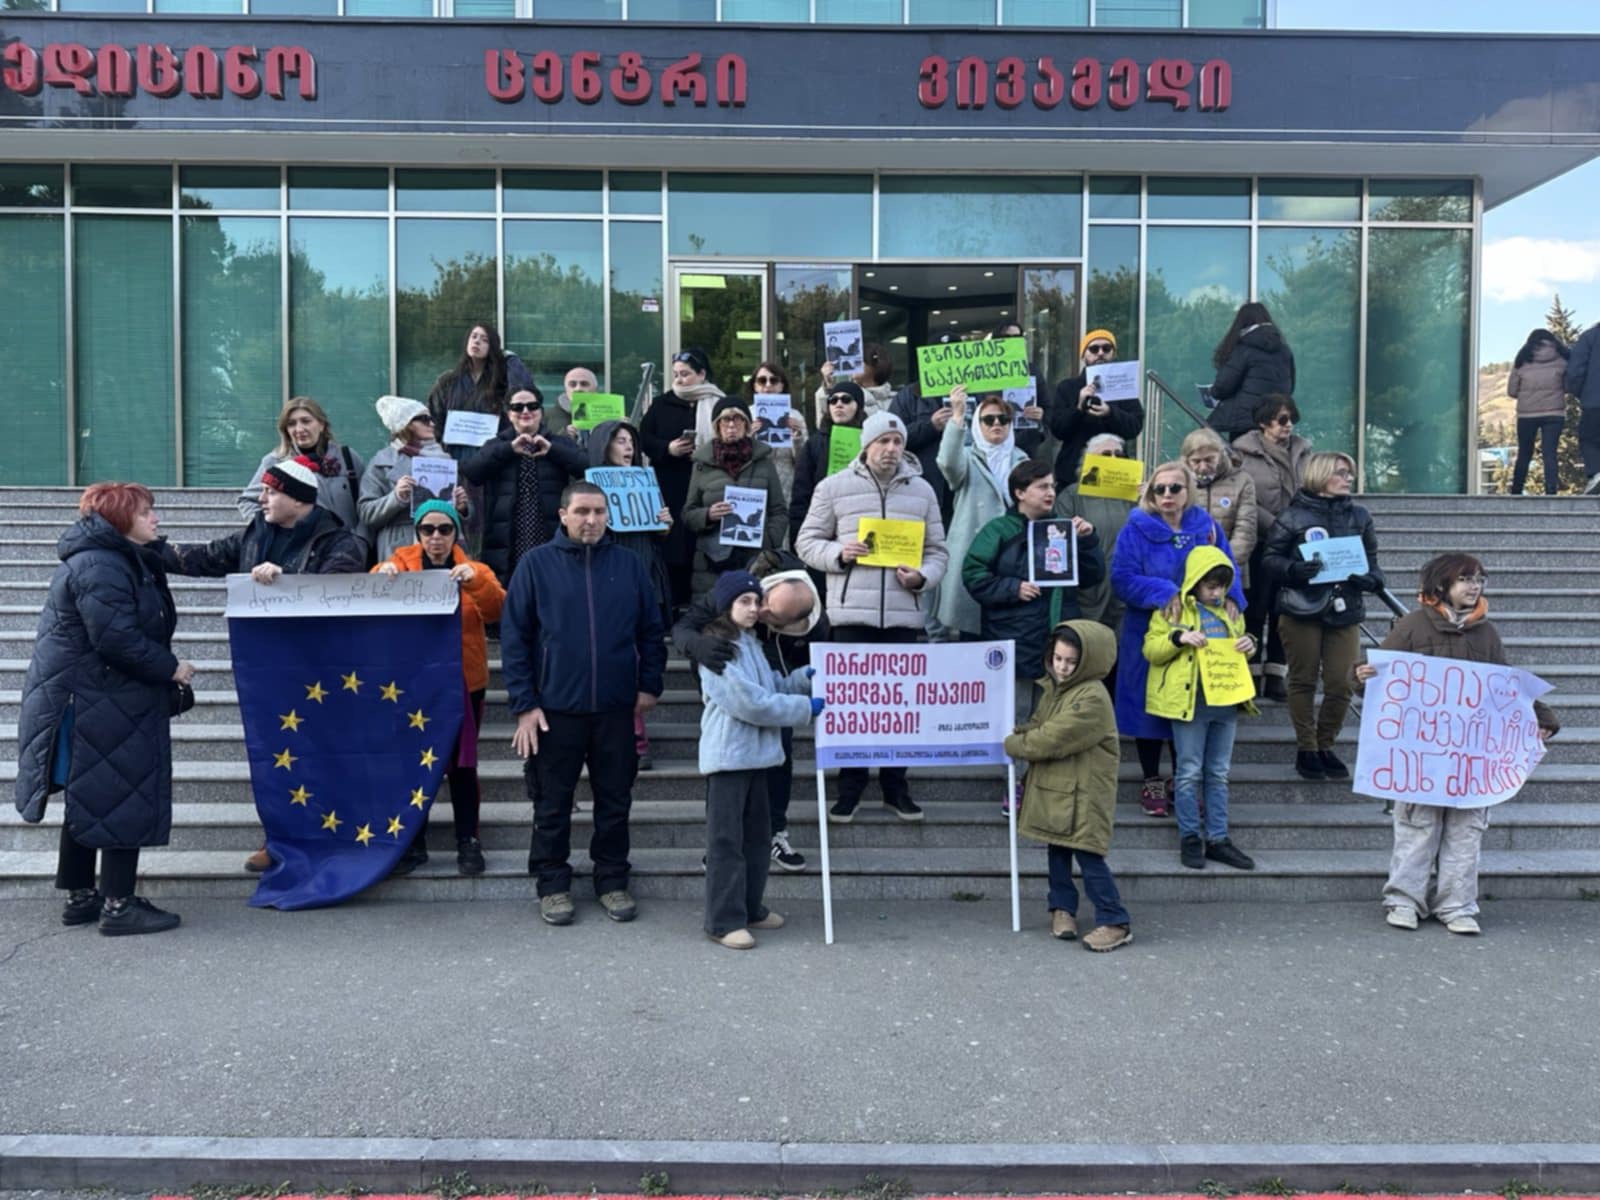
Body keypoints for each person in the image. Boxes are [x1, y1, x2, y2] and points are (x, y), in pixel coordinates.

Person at [163, 456, 367, 873]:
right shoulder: (255, 534)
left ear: (299, 500)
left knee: (322, 756)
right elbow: (201, 558)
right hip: (267, 670)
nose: (261, 498)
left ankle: (334, 837)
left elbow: (337, 587)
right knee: (275, 759)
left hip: (320, 673)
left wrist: (286, 575)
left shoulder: (339, 541)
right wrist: (142, 546)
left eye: (271, 492)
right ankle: (278, 839)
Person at [15, 483, 195, 936]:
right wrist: (171, 668)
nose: (155, 518)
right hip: (103, 698)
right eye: (146, 512)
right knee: (121, 793)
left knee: (93, 794)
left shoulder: (115, 558)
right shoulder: (103, 564)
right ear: (120, 518)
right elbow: (116, 638)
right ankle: (118, 906)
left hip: (99, 695)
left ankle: (82, 897)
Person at [1355, 554, 1559, 934]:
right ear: (1441, 585)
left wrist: (1541, 718)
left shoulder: (1486, 634)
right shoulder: (1412, 626)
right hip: (1422, 753)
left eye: (1479, 579)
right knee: (1418, 826)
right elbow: (1382, 677)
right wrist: (1362, 676)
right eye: (1465, 579)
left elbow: (1505, 686)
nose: (1474, 586)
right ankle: (1404, 900)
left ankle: (1457, 905)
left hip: (1471, 756)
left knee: (1466, 830)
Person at [501, 481, 667, 927]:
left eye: (598, 512)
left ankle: (612, 880)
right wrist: (524, 704)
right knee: (552, 803)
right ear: (563, 514)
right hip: (555, 710)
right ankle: (553, 884)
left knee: (615, 801)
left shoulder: (629, 565)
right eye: (582, 511)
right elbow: (515, 639)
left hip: (616, 709)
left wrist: (649, 685)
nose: (591, 520)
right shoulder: (536, 565)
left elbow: (652, 631)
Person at [797, 410, 949, 822]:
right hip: (850, 617)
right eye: (883, 441)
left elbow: (938, 551)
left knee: (899, 708)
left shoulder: (922, 491)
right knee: (852, 707)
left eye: (898, 442)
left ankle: (895, 787)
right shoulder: (833, 487)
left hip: (903, 618)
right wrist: (839, 554)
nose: (891, 449)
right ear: (866, 445)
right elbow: (806, 542)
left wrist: (922, 577)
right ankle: (850, 788)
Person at [371, 501, 504, 877]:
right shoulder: (399, 563)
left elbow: (497, 609)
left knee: (462, 767)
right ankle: (413, 843)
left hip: (463, 683)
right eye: (427, 529)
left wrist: (474, 580)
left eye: (445, 529)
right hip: (414, 684)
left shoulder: (475, 568)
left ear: (456, 533)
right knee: (412, 765)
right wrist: (381, 574)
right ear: (417, 533)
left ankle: (468, 840)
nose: (436, 537)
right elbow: (369, 596)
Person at [674, 550, 828, 874]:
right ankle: (720, 845)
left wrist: (801, 681)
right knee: (727, 778)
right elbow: (685, 627)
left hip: (769, 663)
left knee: (780, 754)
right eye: (761, 602)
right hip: (722, 659)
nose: (760, 612)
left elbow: (773, 688)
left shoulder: (813, 625)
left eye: (772, 614)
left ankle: (774, 832)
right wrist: (696, 646)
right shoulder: (737, 587)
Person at [695, 570, 822, 950]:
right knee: (726, 843)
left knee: (756, 841)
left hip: (758, 758)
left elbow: (771, 688)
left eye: (757, 601)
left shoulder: (749, 642)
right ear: (726, 605)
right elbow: (750, 704)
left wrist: (800, 679)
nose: (754, 608)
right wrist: (804, 708)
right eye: (744, 601)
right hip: (729, 759)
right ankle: (723, 921)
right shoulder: (717, 648)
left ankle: (750, 908)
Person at [1111, 462, 1244, 818]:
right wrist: (1164, 591)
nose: (1167, 495)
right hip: (1149, 629)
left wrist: (1233, 597)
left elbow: (1228, 566)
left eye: (1175, 488)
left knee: (1186, 705)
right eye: (1159, 489)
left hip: (1199, 631)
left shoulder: (1207, 527)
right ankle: (1151, 778)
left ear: (1188, 491)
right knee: (1148, 706)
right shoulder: (1135, 528)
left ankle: (1179, 780)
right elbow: (1121, 577)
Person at [1005, 620, 1132, 952]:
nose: (1062, 667)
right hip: (1062, 788)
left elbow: (1053, 737)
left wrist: (1012, 744)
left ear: (1087, 662)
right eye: (1058, 658)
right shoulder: (1058, 688)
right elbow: (1039, 724)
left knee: (1088, 854)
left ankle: (1115, 920)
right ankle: (1062, 909)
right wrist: (1019, 730)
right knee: (1057, 848)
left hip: (1085, 792)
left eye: (1071, 662)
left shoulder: (1092, 697)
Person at [1262, 451, 1383, 782]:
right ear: (1320, 475)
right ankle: (1307, 747)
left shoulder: (1359, 516)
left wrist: (1369, 581)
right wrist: (1294, 570)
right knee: (1302, 680)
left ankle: (1326, 743)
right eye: (1341, 473)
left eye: (1350, 473)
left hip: (1345, 608)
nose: (1348, 479)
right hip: (1301, 607)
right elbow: (1269, 560)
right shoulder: (1292, 516)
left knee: (1342, 682)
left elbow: (1375, 566)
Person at [1142, 547, 1258, 872]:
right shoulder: (1172, 610)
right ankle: (1190, 837)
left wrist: (1250, 643)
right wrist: (1179, 638)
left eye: (1221, 587)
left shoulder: (1231, 612)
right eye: (1210, 586)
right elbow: (1151, 649)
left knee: (1218, 773)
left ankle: (1218, 838)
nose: (1217, 593)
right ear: (1194, 582)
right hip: (1190, 704)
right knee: (1190, 771)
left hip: (1226, 701)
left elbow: (1241, 648)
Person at [963, 460, 1104, 714]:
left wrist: (1087, 541)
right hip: (1014, 639)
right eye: (1042, 487)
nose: (1051, 493)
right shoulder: (998, 530)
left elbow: (1092, 576)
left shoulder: (1063, 529)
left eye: (1052, 486)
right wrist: (1013, 588)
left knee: (1052, 719)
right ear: (1020, 493)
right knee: (1015, 716)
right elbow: (974, 576)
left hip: (1058, 638)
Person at [588, 418, 674, 768]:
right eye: (620, 440)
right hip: (609, 582)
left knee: (643, 656)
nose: (628, 447)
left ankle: (634, 737)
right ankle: (634, 740)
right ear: (604, 446)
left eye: (631, 442)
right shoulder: (590, 489)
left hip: (647, 577)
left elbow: (658, 534)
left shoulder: (646, 481)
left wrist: (665, 524)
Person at [462, 386, 588, 586]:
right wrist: (509, 449)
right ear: (509, 414)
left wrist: (552, 450)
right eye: (517, 407)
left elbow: (587, 469)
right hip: (506, 541)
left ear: (541, 412)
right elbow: (472, 472)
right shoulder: (496, 444)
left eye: (532, 406)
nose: (525, 411)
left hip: (550, 535)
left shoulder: (559, 443)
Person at [1232, 395, 1312, 701]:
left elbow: (1312, 488)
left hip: (1295, 543)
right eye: (1282, 419)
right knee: (1256, 607)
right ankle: (1251, 671)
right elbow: (1243, 497)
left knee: (1285, 608)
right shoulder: (1242, 453)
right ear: (1264, 422)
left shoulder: (1303, 451)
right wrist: (1277, 526)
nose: (1288, 425)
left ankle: (1277, 672)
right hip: (1261, 540)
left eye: (1292, 418)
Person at [935, 386, 1030, 639]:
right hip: (973, 552)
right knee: (971, 631)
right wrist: (957, 416)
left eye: (1003, 419)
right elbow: (947, 463)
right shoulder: (967, 457)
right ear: (977, 425)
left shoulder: (1023, 460)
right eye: (988, 420)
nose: (996, 424)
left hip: (1012, 556)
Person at [682, 397, 788, 599]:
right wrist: (708, 515)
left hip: (756, 560)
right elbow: (688, 513)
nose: (731, 425)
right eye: (725, 420)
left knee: (753, 612)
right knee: (714, 614)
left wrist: (767, 540)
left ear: (747, 425)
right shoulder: (701, 464)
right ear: (717, 426)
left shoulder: (764, 463)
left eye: (737, 419)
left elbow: (779, 511)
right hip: (712, 562)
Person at [638, 348, 719, 607]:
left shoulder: (717, 402)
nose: (679, 380)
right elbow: (643, 438)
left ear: (701, 374)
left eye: (685, 374)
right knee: (673, 546)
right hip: (670, 484)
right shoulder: (662, 404)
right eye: (676, 375)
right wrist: (668, 448)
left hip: (706, 484)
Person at [238, 397, 367, 554]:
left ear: (321, 424)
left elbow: (366, 504)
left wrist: (361, 540)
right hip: (300, 555)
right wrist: (272, 531)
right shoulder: (275, 462)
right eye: (291, 424)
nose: (299, 429)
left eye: (306, 421)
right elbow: (247, 502)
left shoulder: (347, 458)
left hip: (348, 551)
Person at [359, 395, 468, 564]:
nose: (431, 424)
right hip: (400, 545)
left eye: (431, 419)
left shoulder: (444, 459)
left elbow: (464, 513)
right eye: (424, 419)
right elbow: (366, 513)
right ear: (406, 424)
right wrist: (396, 498)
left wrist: (462, 507)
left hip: (443, 543)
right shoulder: (382, 462)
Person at [1054, 432, 1136, 630]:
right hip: (1089, 594)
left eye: (1119, 454)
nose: (1113, 459)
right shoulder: (1071, 496)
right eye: (1106, 454)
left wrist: (1149, 500)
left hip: (1126, 589)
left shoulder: (1135, 498)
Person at [1048, 329, 1145, 488]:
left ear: (1113, 354)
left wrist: (1110, 413)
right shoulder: (1067, 387)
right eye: (1094, 349)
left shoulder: (1124, 387)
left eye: (1106, 348)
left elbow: (1134, 427)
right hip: (1074, 473)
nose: (1100, 353)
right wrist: (1078, 408)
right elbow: (1058, 430)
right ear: (1083, 355)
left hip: (1114, 473)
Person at [425, 322, 534, 450]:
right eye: (474, 336)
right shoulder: (448, 381)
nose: (477, 341)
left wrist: (511, 358)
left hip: (492, 453)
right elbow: (434, 417)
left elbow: (523, 396)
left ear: (492, 347)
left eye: (484, 340)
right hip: (454, 453)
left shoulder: (501, 382)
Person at [1207, 302, 1296, 442]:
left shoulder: (1243, 350)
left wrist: (1212, 392)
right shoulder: (1285, 351)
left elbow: (1222, 387)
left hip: (1245, 421)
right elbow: (1290, 388)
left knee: (1240, 454)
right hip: (1274, 422)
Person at [790, 379, 867, 538]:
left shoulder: (871, 442)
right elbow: (801, 492)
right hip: (823, 523)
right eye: (833, 400)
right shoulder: (814, 444)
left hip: (861, 520)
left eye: (846, 399)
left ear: (858, 406)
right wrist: (798, 535)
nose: (838, 404)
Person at [1182, 427, 1258, 587]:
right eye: (1196, 461)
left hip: (1229, 570)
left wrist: (1221, 566)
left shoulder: (1242, 480)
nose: (1203, 467)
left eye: (1209, 459)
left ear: (1221, 455)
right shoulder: (1177, 480)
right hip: (1185, 570)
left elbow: (1245, 531)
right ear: (1186, 460)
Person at [1506, 329, 1570, 495]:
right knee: (1550, 453)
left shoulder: (1522, 360)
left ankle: (1516, 489)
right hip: (1554, 413)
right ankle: (1551, 489)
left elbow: (1512, 391)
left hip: (1527, 414)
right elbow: (1569, 386)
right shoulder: (1562, 359)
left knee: (1525, 452)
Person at [743, 360, 809, 499]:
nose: (768, 385)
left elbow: (803, 462)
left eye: (773, 380)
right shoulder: (745, 415)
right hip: (753, 484)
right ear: (755, 385)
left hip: (785, 486)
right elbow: (736, 458)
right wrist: (748, 437)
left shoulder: (795, 416)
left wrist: (797, 438)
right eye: (762, 380)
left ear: (781, 385)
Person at [1564, 319, 1600, 494]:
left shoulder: (1589, 337)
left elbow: (1574, 372)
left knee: (1589, 439)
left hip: (1595, 400)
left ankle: (1597, 473)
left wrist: (1580, 392)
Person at [817, 342, 894, 423]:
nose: (852, 363)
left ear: (875, 365)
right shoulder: (844, 395)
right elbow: (825, 424)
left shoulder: (895, 400)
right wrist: (828, 385)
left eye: (858, 360)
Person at [545, 366, 599, 442]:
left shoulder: (609, 415)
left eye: (584, 384)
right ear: (566, 389)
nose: (578, 389)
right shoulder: (547, 416)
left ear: (595, 389)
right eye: (572, 384)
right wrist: (565, 436)